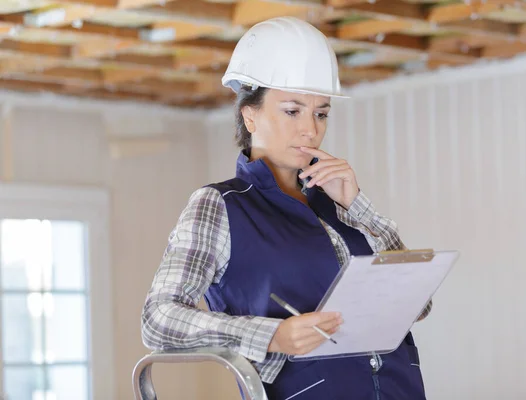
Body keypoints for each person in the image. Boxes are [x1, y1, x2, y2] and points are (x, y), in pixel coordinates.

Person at [141, 16, 432, 400]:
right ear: (251, 115)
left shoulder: (338, 201)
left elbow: (419, 304)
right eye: (293, 111)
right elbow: (159, 320)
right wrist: (272, 335)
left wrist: (358, 204)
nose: (310, 130)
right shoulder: (219, 206)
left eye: (321, 113)